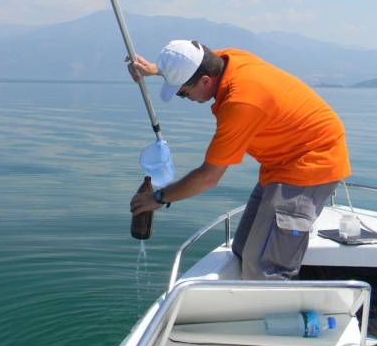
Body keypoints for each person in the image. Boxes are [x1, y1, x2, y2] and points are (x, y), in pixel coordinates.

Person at [128, 40, 350, 280]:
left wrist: (159, 198)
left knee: (264, 267)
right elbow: (192, 62)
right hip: (280, 163)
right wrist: (155, 69)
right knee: (242, 249)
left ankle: (285, 313)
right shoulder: (224, 60)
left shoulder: (240, 103)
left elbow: (207, 178)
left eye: (182, 92)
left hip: (311, 164)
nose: (185, 97)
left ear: (204, 81)